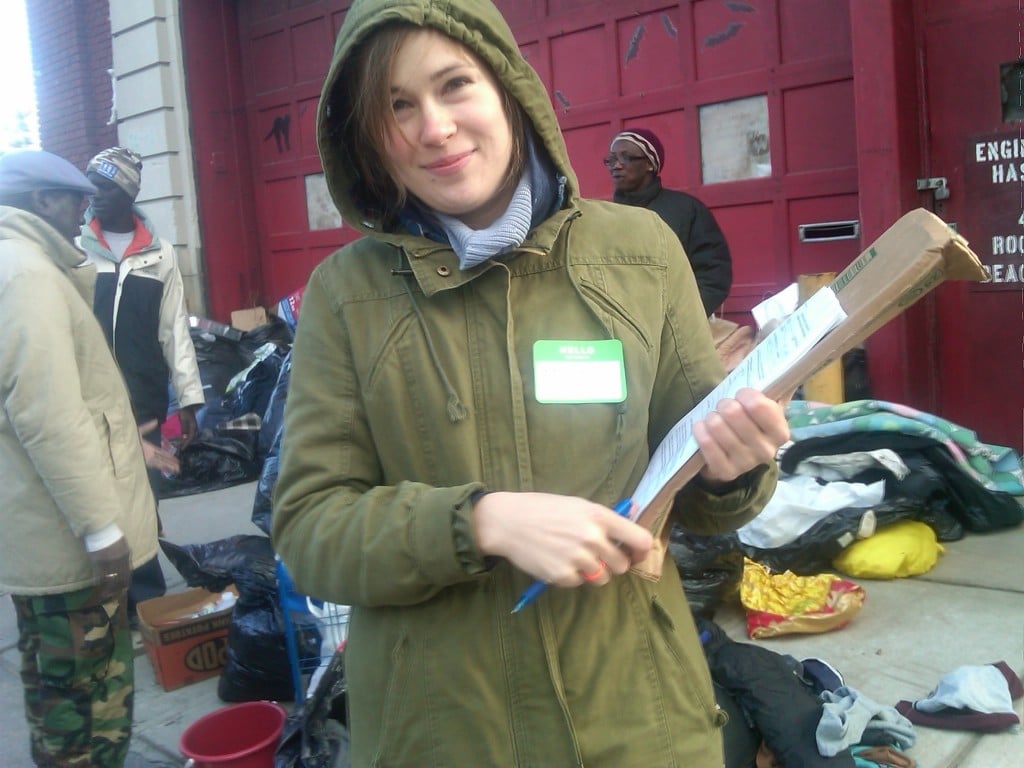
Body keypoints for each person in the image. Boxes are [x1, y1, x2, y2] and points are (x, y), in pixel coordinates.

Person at [271, 1, 789, 765]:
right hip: (440, 734)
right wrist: (481, 522)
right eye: (397, 107)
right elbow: (311, 530)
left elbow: (699, 483)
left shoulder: (639, 251)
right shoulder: (347, 295)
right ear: (368, 138)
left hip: (639, 721)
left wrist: (735, 467)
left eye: (455, 85)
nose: (434, 127)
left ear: (510, 88)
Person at [0, 149, 179, 767]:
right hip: (69, 547)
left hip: (47, 533)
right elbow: (49, 415)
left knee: (57, 693)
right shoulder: (25, 274)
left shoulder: (23, 266)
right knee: (88, 703)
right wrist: (102, 532)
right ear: (40, 201)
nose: (84, 208)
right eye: (72, 196)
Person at [77, 146, 205, 615]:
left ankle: (145, 601)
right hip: (86, 399)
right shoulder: (75, 249)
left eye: (107, 186)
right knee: (92, 491)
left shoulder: (160, 254)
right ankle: (99, 599)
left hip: (142, 400)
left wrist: (189, 399)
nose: (95, 194)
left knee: (141, 495)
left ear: (129, 191)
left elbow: (175, 330)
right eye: (91, 183)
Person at [606, 127, 733, 316]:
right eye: (612, 159)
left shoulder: (687, 210)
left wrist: (682, 318)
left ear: (650, 164)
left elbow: (713, 275)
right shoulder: (605, 216)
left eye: (626, 157)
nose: (616, 165)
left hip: (673, 328)